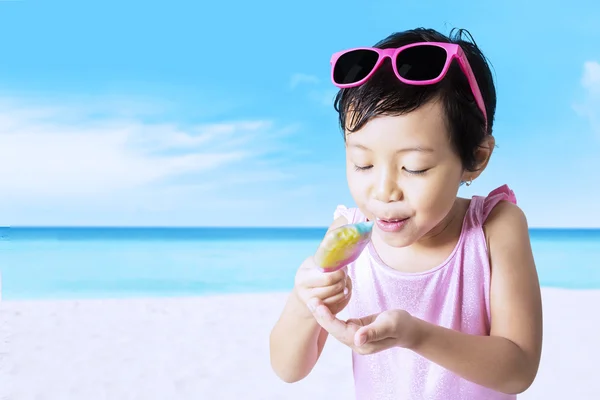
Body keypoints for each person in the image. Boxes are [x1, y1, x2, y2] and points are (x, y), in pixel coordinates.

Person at [269, 27, 543, 400]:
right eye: (362, 164)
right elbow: (288, 368)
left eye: (414, 168)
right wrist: (305, 303)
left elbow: (518, 370)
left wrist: (417, 335)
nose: (383, 191)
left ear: (475, 158)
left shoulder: (495, 228)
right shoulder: (347, 234)